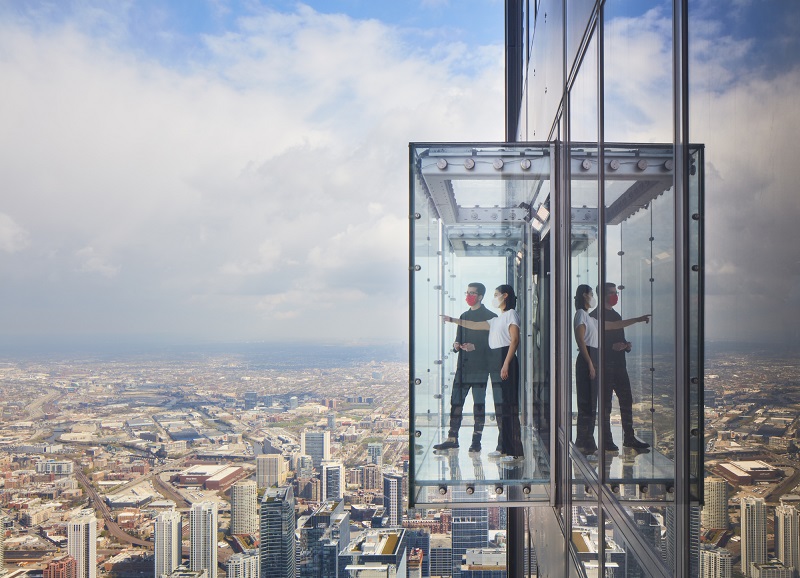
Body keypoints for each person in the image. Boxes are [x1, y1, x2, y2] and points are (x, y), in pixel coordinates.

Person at [442, 284, 524, 459]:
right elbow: (474, 325)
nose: (495, 298)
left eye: (497, 295)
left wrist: (505, 364)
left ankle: (513, 450)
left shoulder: (510, 315)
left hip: (503, 361)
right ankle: (504, 447)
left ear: (505, 296)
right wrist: (453, 320)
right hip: (496, 363)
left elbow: (515, 340)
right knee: (501, 407)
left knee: (507, 407)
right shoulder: (497, 319)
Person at [433, 283, 497, 453]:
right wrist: (456, 345)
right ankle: (452, 438)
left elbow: (494, 346)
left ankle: (476, 441)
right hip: (462, 369)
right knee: (456, 403)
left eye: (472, 293)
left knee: (478, 405)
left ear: (481, 296)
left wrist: (475, 347)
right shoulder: (463, 315)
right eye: (467, 292)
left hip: (480, 369)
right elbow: (457, 341)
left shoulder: (491, 316)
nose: (469, 296)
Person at [591, 283, 651, 451]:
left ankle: (629, 438)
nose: (615, 295)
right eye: (611, 293)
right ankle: (606, 440)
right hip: (605, 367)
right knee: (606, 406)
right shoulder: (595, 316)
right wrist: (611, 347)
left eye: (615, 292)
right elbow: (594, 344)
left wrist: (626, 346)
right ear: (602, 295)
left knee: (626, 401)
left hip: (619, 366)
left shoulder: (616, 315)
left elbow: (616, 333)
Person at [573, 284, 599, 454]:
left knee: (591, 404)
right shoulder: (581, 314)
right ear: (584, 295)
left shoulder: (590, 318)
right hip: (586, 359)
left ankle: (588, 442)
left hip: (591, 357)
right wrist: (589, 362)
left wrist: (637, 320)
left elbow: (610, 326)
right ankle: (583, 443)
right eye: (591, 294)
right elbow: (580, 340)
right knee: (585, 403)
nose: (592, 297)